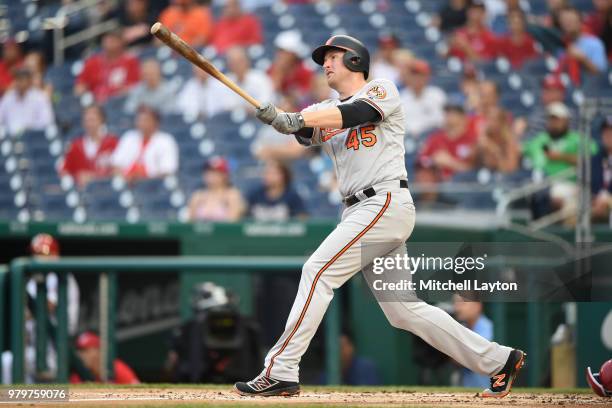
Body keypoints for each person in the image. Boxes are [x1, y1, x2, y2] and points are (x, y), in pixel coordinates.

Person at [234, 34, 525, 398]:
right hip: (360, 210)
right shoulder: (326, 106)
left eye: (334, 57)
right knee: (403, 310)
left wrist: (296, 117)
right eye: (323, 58)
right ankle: (499, 359)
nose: (325, 63)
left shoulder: (381, 89)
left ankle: (281, 369)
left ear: (356, 61)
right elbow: (306, 132)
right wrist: (282, 120)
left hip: (383, 202)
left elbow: (355, 113)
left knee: (317, 271)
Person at [522, 102, 597, 220]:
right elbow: (520, 150)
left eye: (557, 119)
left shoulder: (577, 139)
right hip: (541, 183)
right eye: (551, 119)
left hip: (570, 184)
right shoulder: (540, 139)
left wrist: (561, 156)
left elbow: (592, 161)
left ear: (566, 121)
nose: (553, 123)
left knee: (554, 194)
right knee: (529, 192)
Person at [417, 101, 478, 186]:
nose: (448, 116)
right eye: (447, 112)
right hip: (438, 186)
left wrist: (450, 162)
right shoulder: (435, 138)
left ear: (463, 116)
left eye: (453, 112)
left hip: (463, 187)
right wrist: (433, 162)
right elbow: (421, 162)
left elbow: (475, 170)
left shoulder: (472, 139)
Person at [111, 106, 179, 181]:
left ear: (156, 122)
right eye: (139, 120)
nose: (141, 123)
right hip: (127, 182)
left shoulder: (166, 140)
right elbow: (116, 165)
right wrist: (124, 178)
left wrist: (142, 179)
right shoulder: (129, 137)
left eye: (145, 120)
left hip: (154, 186)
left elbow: (167, 171)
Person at [60, 105, 119, 187]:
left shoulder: (113, 142)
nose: (89, 124)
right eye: (87, 120)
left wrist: (94, 177)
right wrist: (76, 177)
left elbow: (119, 171)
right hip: (83, 193)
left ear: (101, 120)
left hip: (107, 191)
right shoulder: (75, 145)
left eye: (92, 120)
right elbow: (64, 171)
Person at [75, 31, 140, 102]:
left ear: (121, 42)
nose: (108, 43)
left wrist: (119, 92)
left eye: (112, 40)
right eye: (106, 40)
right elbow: (80, 86)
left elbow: (135, 87)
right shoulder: (92, 62)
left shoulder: (130, 61)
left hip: (120, 101)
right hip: (96, 103)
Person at [556, 6, 608, 84]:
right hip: (565, 87)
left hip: (589, 88)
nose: (567, 24)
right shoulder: (560, 42)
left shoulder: (594, 43)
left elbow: (602, 74)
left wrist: (583, 59)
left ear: (580, 22)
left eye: (571, 20)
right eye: (564, 21)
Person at [453, 294, 494, 388]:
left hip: (488, 394)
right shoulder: (464, 327)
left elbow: (469, 358)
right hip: (469, 393)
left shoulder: (487, 328)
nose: (457, 308)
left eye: (462, 303)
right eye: (455, 303)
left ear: (477, 306)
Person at [187, 157, 245, 222]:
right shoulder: (197, 196)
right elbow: (190, 224)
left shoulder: (232, 195)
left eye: (215, 172)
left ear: (225, 175)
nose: (211, 175)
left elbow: (232, 223)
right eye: (208, 172)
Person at [399, 59, 446, 138]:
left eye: (420, 75)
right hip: (409, 140)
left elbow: (442, 121)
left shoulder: (437, 94)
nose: (416, 78)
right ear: (408, 77)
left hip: (432, 137)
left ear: (427, 77)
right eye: (413, 75)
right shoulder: (401, 98)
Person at [0, 67, 54, 135]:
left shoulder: (40, 97)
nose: (19, 83)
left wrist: (30, 127)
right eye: (17, 79)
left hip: (33, 136)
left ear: (29, 81)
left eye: (22, 79)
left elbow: (47, 120)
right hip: (11, 136)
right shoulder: (8, 97)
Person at [70, 332, 140, 384]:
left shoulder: (115, 368)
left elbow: (140, 394)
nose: (80, 355)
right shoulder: (78, 375)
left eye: (85, 351)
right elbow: (62, 397)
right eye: (79, 351)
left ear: (98, 351)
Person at [222, 47, 274, 113]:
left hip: (258, 120)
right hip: (232, 120)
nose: (237, 65)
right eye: (233, 62)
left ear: (247, 61)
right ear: (229, 65)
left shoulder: (261, 79)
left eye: (240, 61)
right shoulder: (226, 81)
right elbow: (225, 107)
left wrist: (244, 110)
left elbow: (266, 106)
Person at [267, 31, 313, 103]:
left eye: (283, 51)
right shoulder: (272, 69)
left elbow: (304, 97)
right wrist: (278, 73)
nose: (279, 55)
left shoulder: (304, 71)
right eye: (279, 51)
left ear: (293, 54)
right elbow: (269, 94)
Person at [476, 107, 521, 173]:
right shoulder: (485, 138)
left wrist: (495, 151)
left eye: (494, 120)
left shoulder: (510, 141)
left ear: (502, 123)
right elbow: (471, 166)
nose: (490, 123)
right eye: (488, 119)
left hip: (506, 177)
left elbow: (510, 170)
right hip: (488, 175)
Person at [592, 116, 612, 223]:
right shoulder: (595, 159)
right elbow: (589, 184)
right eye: (606, 132)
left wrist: (607, 198)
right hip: (595, 201)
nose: (608, 135)